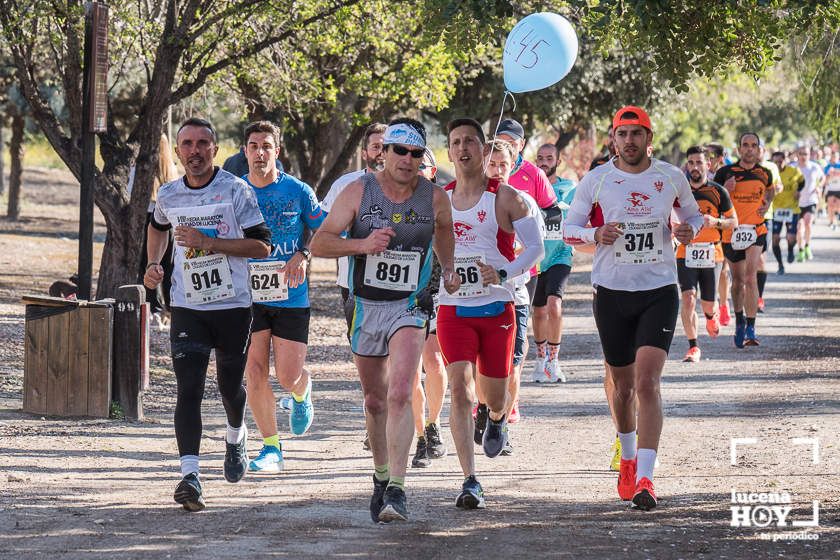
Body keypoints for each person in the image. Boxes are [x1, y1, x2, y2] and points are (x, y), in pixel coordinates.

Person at [310, 118, 458, 523]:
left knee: (400, 391)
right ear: (384, 152)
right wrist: (362, 244)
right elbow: (319, 243)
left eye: (415, 154)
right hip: (366, 305)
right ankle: (380, 474)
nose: (407, 161)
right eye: (399, 152)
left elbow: (444, 232)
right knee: (375, 400)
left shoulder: (434, 196)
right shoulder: (359, 191)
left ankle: (398, 488)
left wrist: (448, 268)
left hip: (411, 304)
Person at [564, 106, 703, 510]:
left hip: (659, 289)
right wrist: (595, 232)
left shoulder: (670, 177)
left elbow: (692, 216)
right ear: (613, 139)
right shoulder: (598, 179)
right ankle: (627, 457)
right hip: (611, 292)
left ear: (648, 137)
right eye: (622, 134)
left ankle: (645, 477)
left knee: (647, 383)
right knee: (622, 390)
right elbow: (568, 228)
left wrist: (687, 229)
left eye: (636, 133)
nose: (629, 141)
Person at [144, 117, 272, 511]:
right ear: (179, 150)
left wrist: (209, 242)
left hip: (233, 306)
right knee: (189, 389)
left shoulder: (236, 191)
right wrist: (154, 264)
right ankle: (190, 476)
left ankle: (236, 435)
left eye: (203, 143)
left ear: (214, 150)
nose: (195, 151)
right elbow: (156, 226)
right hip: (188, 307)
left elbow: (262, 247)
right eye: (187, 144)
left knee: (229, 388)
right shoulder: (168, 194)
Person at [437, 118, 543, 508]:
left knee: (493, 394)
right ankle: (469, 479)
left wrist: (504, 272)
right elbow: (428, 245)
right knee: (460, 390)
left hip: (497, 306)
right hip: (453, 310)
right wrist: (444, 272)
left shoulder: (506, 197)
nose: (463, 148)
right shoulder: (439, 198)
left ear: (484, 150)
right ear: (448, 151)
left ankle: (497, 417)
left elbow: (535, 250)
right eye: (456, 142)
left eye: (470, 142)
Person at [239, 121, 326, 474]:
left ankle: (302, 390)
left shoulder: (298, 191)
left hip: (291, 295)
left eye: (266, 146)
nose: (260, 152)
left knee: (287, 375)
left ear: (277, 152)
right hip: (248, 297)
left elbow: (326, 230)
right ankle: (271, 446)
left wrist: (304, 255)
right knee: (255, 371)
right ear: (244, 151)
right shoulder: (234, 191)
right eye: (253, 145)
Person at [489, 118, 559, 426]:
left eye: (511, 141)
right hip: (487, 269)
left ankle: (512, 400)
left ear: (521, 144)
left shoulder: (534, 175)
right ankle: (489, 399)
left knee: (518, 329)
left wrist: (530, 227)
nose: (506, 146)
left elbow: (553, 211)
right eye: (500, 139)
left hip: (524, 268)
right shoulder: (481, 175)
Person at [677, 146, 737, 363]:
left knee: (707, 304)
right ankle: (693, 346)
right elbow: (669, 218)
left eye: (699, 162)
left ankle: (712, 315)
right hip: (685, 252)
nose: (695, 167)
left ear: (708, 165)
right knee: (688, 298)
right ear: (687, 165)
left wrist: (716, 222)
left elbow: (733, 222)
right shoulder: (680, 192)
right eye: (691, 163)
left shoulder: (718, 191)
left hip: (713, 252)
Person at [714, 132, 775, 348]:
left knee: (750, 278)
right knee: (737, 282)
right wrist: (725, 191)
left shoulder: (764, 173)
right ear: (739, 149)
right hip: (732, 233)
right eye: (745, 145)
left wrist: (767, 205)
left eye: (753, 145)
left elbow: (771, 191)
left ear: (758, 149)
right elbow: (713, 200)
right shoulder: (725, 173)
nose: (749, 149)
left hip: (756, 230)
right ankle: (739, 319)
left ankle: (751, 326)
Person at [321, 123, 387, 305]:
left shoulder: (409, 187)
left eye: (387, 147)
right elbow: (322, 228)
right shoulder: (345, 184)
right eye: (376, 147)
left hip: (397, 283)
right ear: (364, 153)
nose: (382, 152)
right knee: (357, 334)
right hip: (354, 281)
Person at [411, 148, 448, 468]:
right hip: (399, 296)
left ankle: (434, 425)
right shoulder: (386, 200)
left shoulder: (442, 203)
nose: (415, 169)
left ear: (433, 171)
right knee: (409, 372)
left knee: (434, 363)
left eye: (422, 166)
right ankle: (421, 436)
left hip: (435, 293)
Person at [531, 142, 576, 382]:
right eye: (540, 157)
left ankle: (554, 360)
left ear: (558, 161)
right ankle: (540, 359)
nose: (544, 161)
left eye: (549, 158)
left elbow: (581, 215)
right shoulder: (529, 187)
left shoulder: (570, 188)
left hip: (560, 254)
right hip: (536, 257)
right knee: (538, 312)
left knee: (554, 305)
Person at [136, 134, 180, 326]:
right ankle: (170, 307)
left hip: (149, 218)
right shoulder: (172, 171)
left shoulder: (141, 169)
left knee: (148, 264)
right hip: (168, 221)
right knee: (167, 266)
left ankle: (152, 305)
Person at [770, 151, 804, 273]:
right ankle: (780, 265)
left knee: (791, 238)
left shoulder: (793, 171)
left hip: (792, 209)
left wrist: (798, 191)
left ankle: (790, 250)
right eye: (776, 162)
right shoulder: (770, 172)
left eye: (781, 161)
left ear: (785, 160)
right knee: (775, 239)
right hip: (775, 209)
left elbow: (802, 181)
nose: (778, 164)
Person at [792, 146, 825, 260]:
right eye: (801, 154)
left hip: (811, 200)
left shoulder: (815, 167)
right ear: (797, 154)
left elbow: (822, 178)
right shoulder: (792, 167)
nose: (803, 156)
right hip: (796, 203)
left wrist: (819, 186)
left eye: (805, 154)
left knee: (808, 224)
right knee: (799, 228)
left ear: (809, 155)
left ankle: (807, 246)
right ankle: (801, 250)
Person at [824, 150, 840, 229]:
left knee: (838, 206)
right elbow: (825, 179)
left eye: (836, 157)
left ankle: (837, 219)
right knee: (830, 206)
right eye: (833, 156)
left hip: (839, 189)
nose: (834, 158)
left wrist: (836, 173)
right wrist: (830, 175)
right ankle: (831, 221)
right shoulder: (828, 166)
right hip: (830, 189)